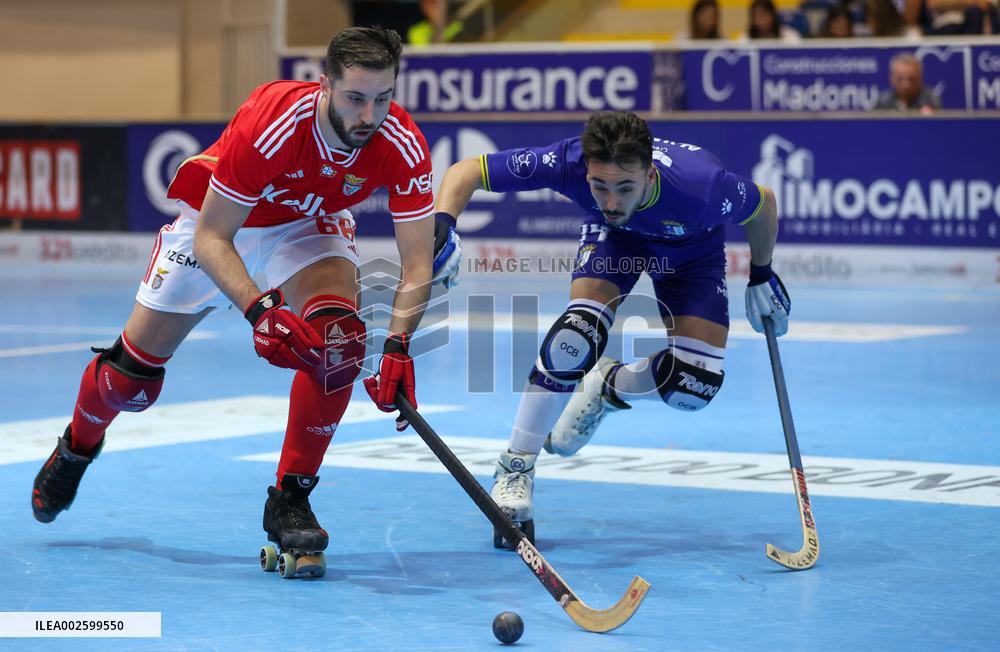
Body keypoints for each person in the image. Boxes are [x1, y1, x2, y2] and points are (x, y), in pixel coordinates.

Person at [30, 27, 462, 561]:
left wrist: (397, 345)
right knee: (129, 383)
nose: (368, 116)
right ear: (324, 84)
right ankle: (77, 446)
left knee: (338, 342)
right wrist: (261, 311)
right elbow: (214, 237)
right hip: (221, 225)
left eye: (382, 98)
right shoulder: (274, 119)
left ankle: (291, 499)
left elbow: (418, 263)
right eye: (354, 98)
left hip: (306, 226)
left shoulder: (399, 141)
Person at [434, 112, 788, 546]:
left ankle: (608, 384)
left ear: (650, 174)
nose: (612, 200)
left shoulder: (702, 186)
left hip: (691, 256)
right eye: (599, 186)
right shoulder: (568, 163)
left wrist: (762, 273)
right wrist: (444, 225)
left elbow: (763, 203)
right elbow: (468, 170)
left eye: (625, 187)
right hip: (614, 241)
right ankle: (516, 466)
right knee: (574, 338)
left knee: (693, 387)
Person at [874, 52, 942, 113]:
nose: (906, 85)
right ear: (892, 78)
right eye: (900, 79)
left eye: (911, 79)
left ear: (919, 78)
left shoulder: (930, 100)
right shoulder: (883, 101)